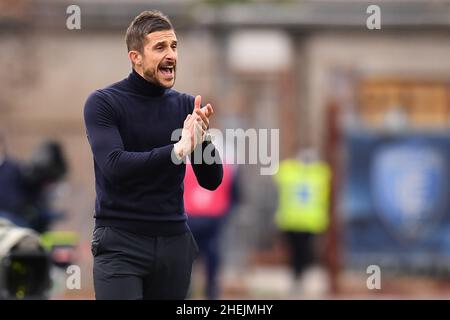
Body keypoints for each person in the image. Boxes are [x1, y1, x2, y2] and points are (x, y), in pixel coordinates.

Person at [83, 10, 223, 300]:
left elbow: (212, 180)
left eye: (173, 46)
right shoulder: (103, 103)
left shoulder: (185, 104)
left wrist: (201, 139)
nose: (170, 54)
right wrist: (176, 150)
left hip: (174, 244)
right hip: (121, 243)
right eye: (159, 47)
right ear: (135, 57)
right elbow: (114, 166)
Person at [273, 148, 331, 296]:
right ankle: (297, 278)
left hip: (301, 221)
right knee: (297, 253)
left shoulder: (294, 171)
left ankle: (299, 278)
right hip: (296, 221)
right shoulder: (318, 173)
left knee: (302, 253)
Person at [185, 162, 240, 299]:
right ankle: (189, 289)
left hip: (211, 222)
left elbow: (234, 196)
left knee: (212, 258)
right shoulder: (185, 167)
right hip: (190, 220)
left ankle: (210, 291)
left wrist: (224, 214)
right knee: (187, 259)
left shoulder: (227, 170)